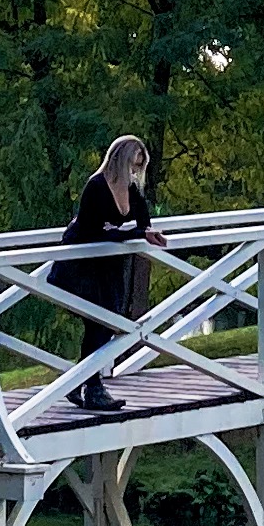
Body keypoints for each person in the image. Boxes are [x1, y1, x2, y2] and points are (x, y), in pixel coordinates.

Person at [55, 135, 165, 415]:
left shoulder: (132, 188)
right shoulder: (96, 186)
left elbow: (143, 222)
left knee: (105, 323)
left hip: (109, 262)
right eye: (133, 162)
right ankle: (92, 387)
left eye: (140, 165)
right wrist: (128, 233)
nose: (135, 170)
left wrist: (145, 233)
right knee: (97, 323)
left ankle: (83, 384)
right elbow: (91, 230)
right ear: (120, 158)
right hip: (82, 261)